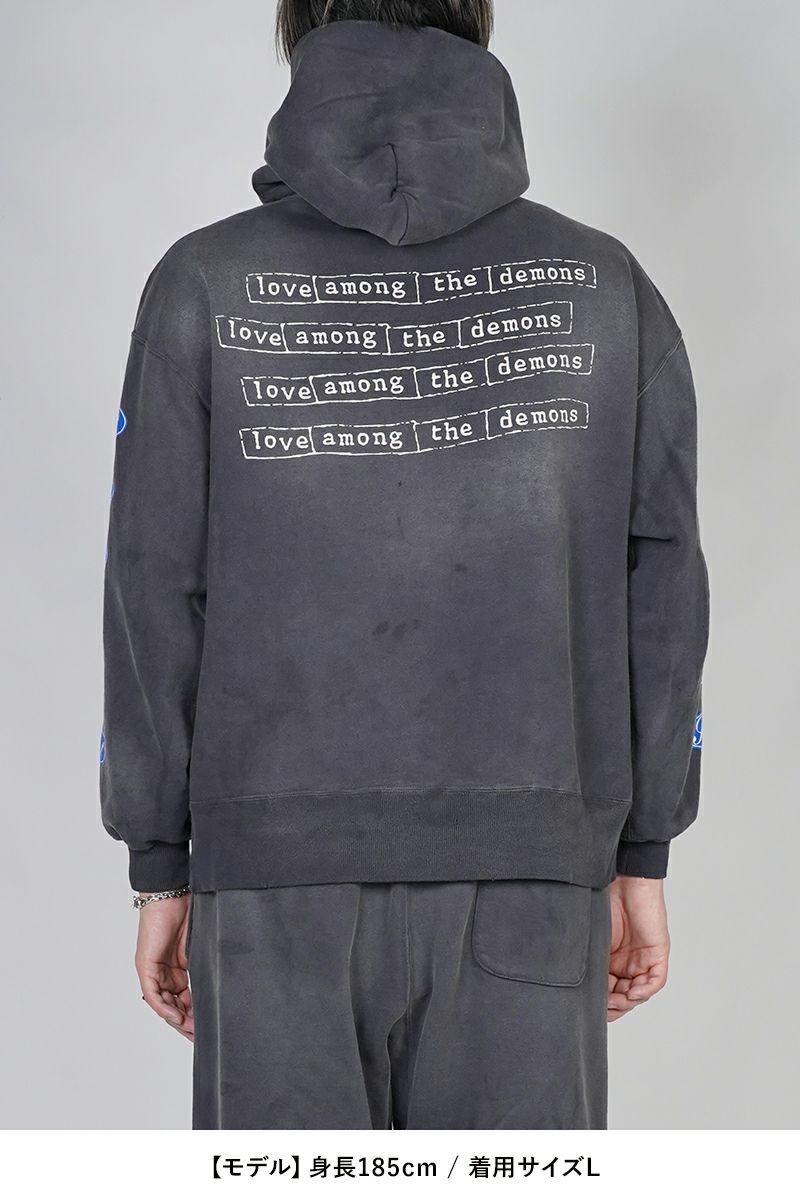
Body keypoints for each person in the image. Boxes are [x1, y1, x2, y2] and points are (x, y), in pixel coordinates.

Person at [100, 0, 709, 1130]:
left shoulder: (203, 283)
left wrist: (160, 863)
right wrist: (641, 852)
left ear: (299, 30)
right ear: (476, 20)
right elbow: (663, 592)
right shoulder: (604, 288)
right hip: (531, 874)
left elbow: (152, 586)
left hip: (272, 881)